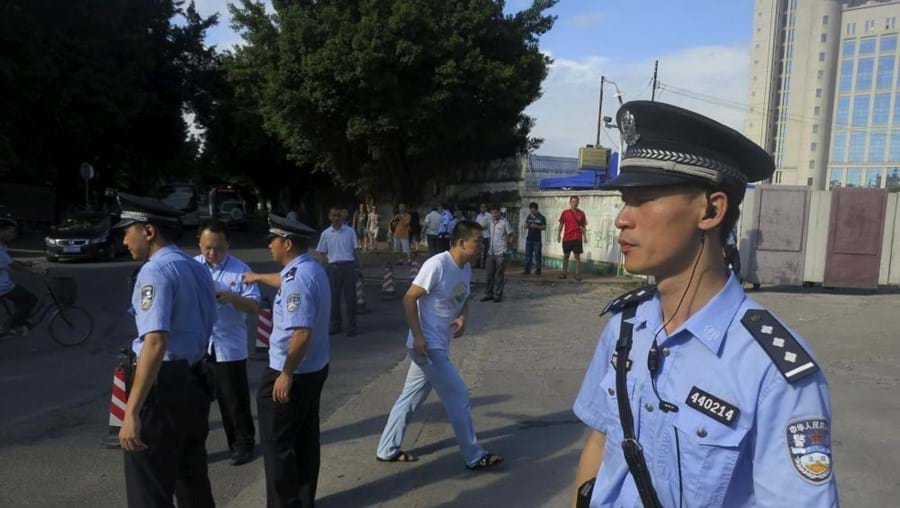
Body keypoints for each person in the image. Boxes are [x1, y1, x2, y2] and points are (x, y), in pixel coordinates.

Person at [571, 101, 838, 508]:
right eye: (625, 200)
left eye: (643, 199)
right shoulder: (626, 327)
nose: (622, 218)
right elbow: (600, 442)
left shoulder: (773, 371)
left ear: (712, 210)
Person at [114, 192, 218, 508]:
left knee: (149, 489)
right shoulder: (196, 267)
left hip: (163, 390)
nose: (123, 241)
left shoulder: (155, 271)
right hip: (195, 381)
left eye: (126, 230)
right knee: (193, 483)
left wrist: (131, 411)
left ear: (148, 231)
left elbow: (155, 342)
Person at [375, 220, 503, 470]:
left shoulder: (464, 269)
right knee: (458, 395)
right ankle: (474, 456)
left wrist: (463, 317)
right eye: (477, 241)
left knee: (410, 398)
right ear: (460, 242)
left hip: (437, 345)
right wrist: (418, 335)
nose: (481, 246)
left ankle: (387, 448)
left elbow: (463, 298)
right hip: (428, 346)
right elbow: (409, 298)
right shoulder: (437, 265)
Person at [243, 214, 331, 508]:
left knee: (277, 444)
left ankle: (283, 503)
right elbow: (284, 281)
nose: (269, 245)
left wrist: (286, 373)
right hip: (315, 368)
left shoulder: (297, 280)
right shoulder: (310, 269)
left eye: (273, 240)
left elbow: (302, 333)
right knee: (306, 439)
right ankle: (304, 499)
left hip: (291, 371)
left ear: (287, 243)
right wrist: (256, 278)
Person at [194, 220, 261, 466]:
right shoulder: (191, 267)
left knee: (233, 400)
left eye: (219, 248)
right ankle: (194, 449)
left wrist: (232, 298)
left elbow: (254, 306)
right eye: (207, 247)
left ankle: (242, 443)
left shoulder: (241, 270)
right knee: (195, 402)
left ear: (228, 245)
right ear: (199, 243)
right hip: (199, 345)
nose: (213, 253)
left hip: (229, 347)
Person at [316, 207, 359, 337]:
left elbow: (355, 250)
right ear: (329, 217)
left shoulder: (350, 231)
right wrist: (322, 269)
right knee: (334, 300)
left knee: (351, 299)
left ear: (342, 217)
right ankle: (336, 325)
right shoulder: (326, 234)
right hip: (332, 268)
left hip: (348, 267)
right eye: (334, 215)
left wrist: (357, 267)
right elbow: (322, 253)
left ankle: (352, 326)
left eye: (338, 215)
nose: (336, 218)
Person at [0, 216, 42, 335]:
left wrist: (25, 263)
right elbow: (13, 266)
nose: (13, 235)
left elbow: (9, 260)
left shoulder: (2, 245)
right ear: (1, 231)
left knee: (20, 298)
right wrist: (33, 271)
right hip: (2, 286)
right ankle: (10, 325)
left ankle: (18, 322)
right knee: (31, 299)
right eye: (10, 232)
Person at [481, 205, 513, 303]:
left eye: (496, 213)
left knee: (499, 275)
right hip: (491, 252)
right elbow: (481, 228)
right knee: (489, 275)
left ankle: (497, 295)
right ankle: (488, 294)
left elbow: (511, 235)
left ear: (499, 212)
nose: (494, 215)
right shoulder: (489, 222)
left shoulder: (504, 222)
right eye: (492, 213)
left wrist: (507, 248)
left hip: (500, 253)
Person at [557, 196, 588, 281]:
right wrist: (558, 234)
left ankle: (577, 274)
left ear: (578, 203)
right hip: (567, 238)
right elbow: (561, 224)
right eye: (573, 201)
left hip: (577, 237)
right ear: (570, 202)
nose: (575, 203)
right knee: (566, 256)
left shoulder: (582, 213)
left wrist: (585, 237)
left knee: (577, 257)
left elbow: (583, 226)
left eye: (576, 201)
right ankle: (564, 273)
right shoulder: (565, 213)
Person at [522, 202, 546, 276]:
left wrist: (536, 226)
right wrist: (525, 226)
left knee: (537, 255)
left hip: (537, 240)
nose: (532, 212)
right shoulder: (529, 217)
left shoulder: (541, 217)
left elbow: (544, 227)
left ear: (536, 209)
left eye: (533, 211)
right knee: (528, 255)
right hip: (529, 239)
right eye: (531, 211)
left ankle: (538, 270)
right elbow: (526, 225)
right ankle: (527, 270)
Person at [475, 203, 492, 269]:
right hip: (479, 235)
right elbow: (476, 225)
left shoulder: (489, 216)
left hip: (486, 235)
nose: (482, 209)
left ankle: (484, 265)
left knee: (485, 251)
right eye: (481, 207)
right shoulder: (478, 216)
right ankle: (478, 264)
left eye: (484, 207)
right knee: (478, 250)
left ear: (486, 208)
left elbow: (488, 225)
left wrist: (482, 226)